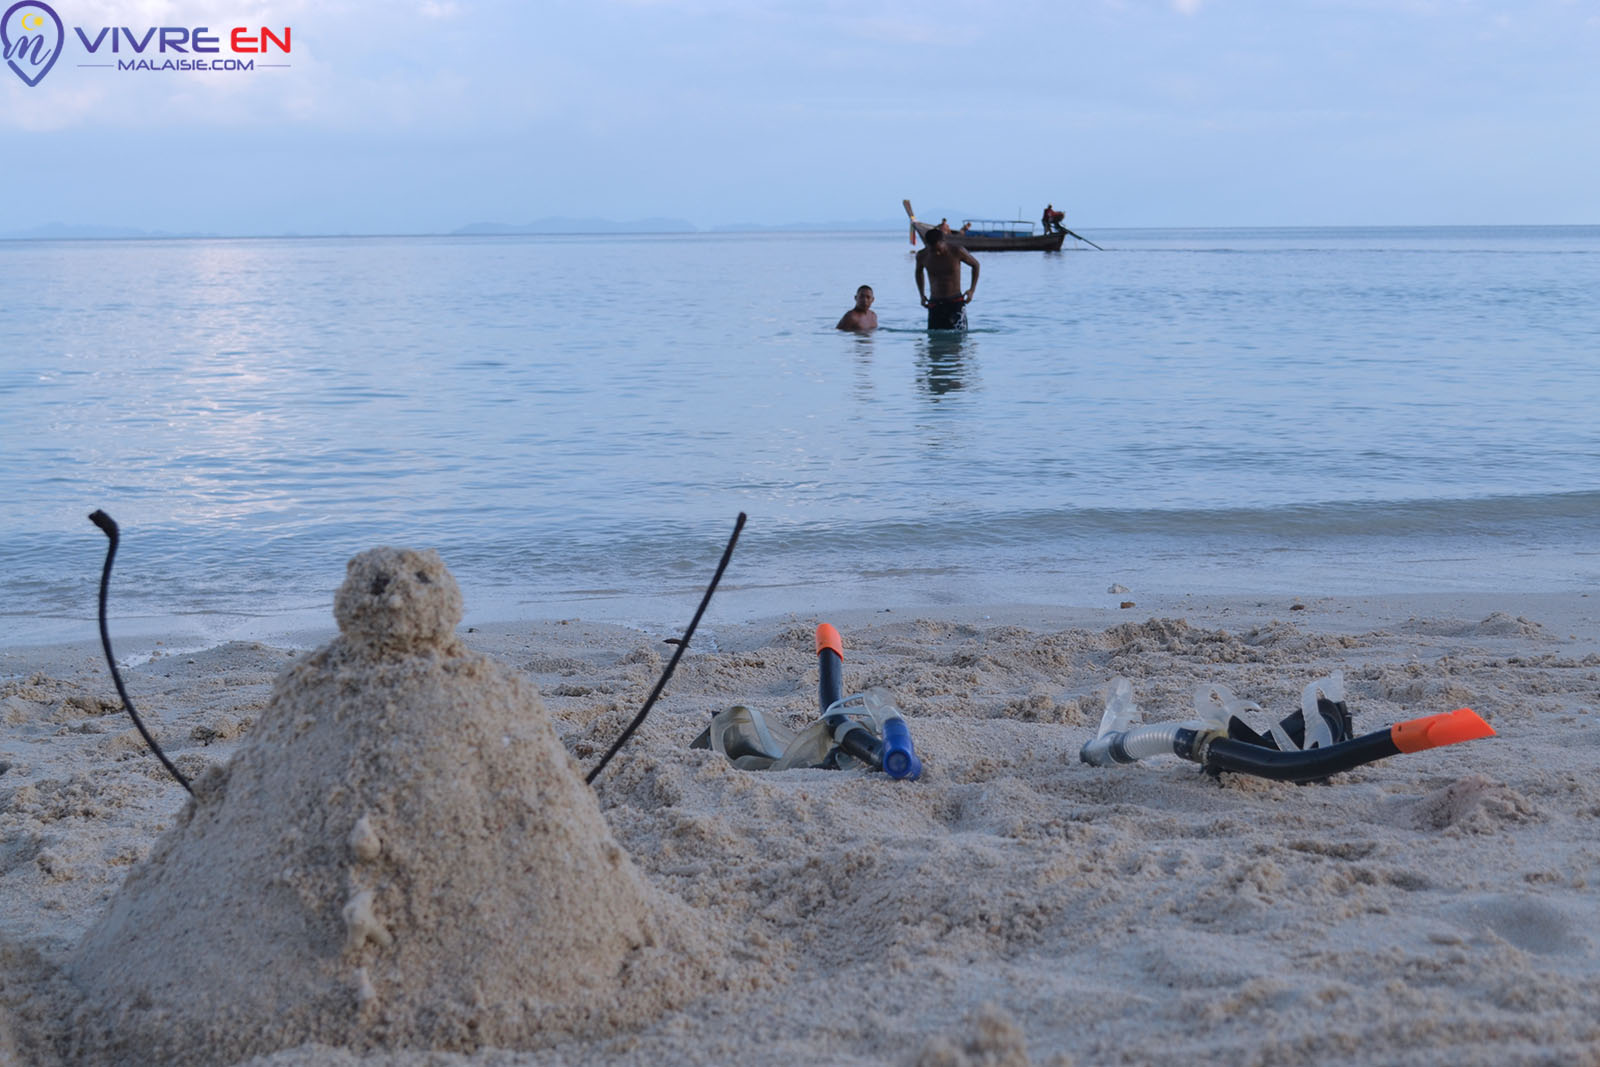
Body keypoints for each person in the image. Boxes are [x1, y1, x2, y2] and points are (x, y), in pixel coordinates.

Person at [915, 227, 979, 330]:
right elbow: (918, 272)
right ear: (927, 245)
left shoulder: (957, 251)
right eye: (933, 250)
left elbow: (975, 265)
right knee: (934, 337)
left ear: (943, 241)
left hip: (955, 301)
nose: (937, 253)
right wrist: (922, 295)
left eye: (939, 249)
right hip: (935, 302)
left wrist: (972, 290)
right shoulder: (922, 255)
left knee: (959, 336)